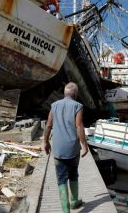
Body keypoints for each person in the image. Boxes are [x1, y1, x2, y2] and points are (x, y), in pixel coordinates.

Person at [43, 82, 88, 212]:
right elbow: (79, 126)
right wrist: (84, 145)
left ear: (65, 93)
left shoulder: (54, 105)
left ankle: (65, 209)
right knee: (73, 173)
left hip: (57, 149)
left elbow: (48, 126)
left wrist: (45, 142)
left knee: (61, 178)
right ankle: (74, 202)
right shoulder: (77, 106)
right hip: (73, 149)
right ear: (76, 94)